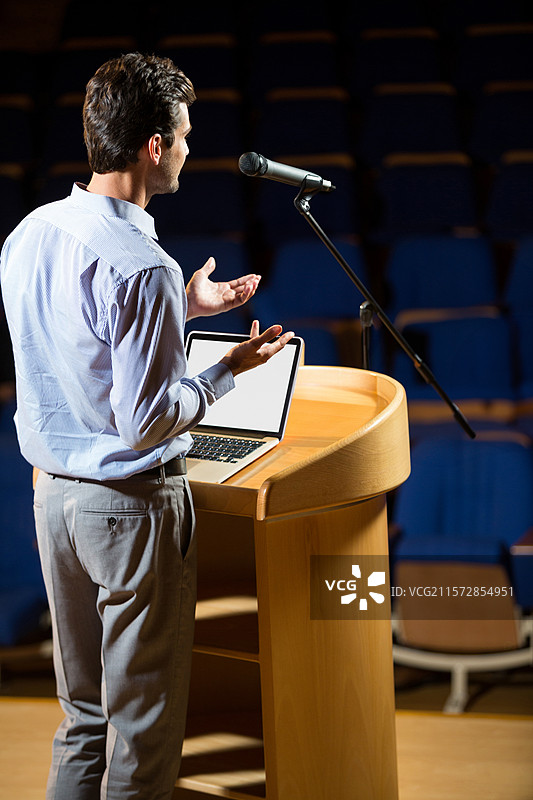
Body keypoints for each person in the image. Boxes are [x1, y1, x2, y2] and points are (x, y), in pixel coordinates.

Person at [0, 52, 293, 800]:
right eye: (185, 136)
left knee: (84, 719)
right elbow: (146, 422)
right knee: (142, 730)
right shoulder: (142, 263)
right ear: (154, 146)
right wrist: (229, 369)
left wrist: (182, 307)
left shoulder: (31, 232)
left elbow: (79, 341)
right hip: (129, 509)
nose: (190, 148)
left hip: (53, 498)